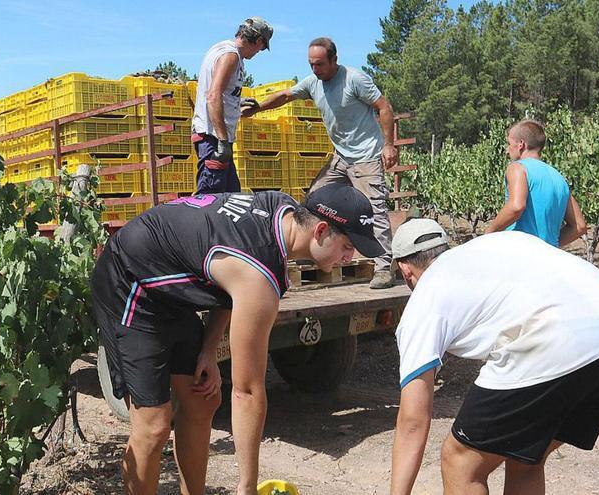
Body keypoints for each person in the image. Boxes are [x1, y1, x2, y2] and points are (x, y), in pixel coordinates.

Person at [90, 184, 384, 495]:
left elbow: (228, 282)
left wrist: (209, 347)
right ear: (321, 230)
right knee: (153, 426)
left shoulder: (282, 212)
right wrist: (247, 486)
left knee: (203, 400)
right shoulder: (258, 275)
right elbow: (247, 391)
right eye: (348, 246)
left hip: (168, 286)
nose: (349, 257)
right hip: (129, 281)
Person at [389, 219, 599, 495]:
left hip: (556, 338)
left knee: (461, 461)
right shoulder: (487, 248)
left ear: (405, 269)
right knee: (524, 456)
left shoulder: (424, 300)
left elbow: (413, 421)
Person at [244, 37, 398, 289]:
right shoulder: (313, 82)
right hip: (340, 157)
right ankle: (309, 251)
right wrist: (257, 108)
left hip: (366, 157)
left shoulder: (354, 79)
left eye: (320, 64)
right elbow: (285, 95)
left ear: (334, 60)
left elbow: (384, 106)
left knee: (374, 211)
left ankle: (383, 268)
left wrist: (389, 145)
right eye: (311, 64)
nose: (315, 70)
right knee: (314, 199)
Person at [192, 16, 273, 195]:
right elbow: (213, 95)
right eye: (262, 47)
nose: (259, 51)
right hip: (212, 137)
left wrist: (237, 101)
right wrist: (222, 141)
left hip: (217, 137)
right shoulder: (230, 55)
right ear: (259, 40)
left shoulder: (222, 48)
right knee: (211, 200)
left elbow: (219, 90)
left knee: (231, 198)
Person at [484, 119, 587, 247]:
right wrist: (549, 247)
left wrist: (488, 234)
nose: (507, 150)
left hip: (520, 253)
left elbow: (516, 207)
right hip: (548, 259)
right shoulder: (559, 178)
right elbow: (579, 226)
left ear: (521, 144)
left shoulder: (517, 168)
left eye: (509, 143)